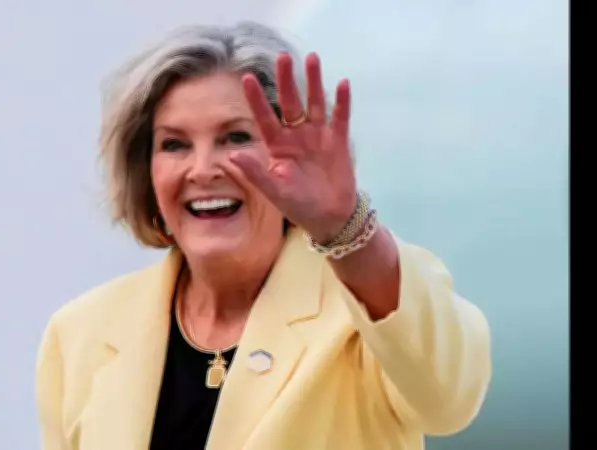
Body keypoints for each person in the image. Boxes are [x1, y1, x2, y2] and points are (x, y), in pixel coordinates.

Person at [35, 21, 492, 450]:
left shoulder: (371, 304)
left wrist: (345, 227)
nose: (203, 169)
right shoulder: (80, 333)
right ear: (145, 172)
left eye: (236, 137)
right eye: (174, 144)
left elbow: (448, 403)